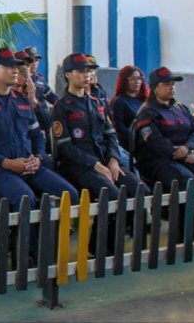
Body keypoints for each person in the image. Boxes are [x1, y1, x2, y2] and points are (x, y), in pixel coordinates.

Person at [51, 53, 145, 253]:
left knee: (137, 188)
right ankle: (100, 249)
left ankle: (116, 242)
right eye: (81, 71)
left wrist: (113, 159)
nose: (86, 75)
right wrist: (95, 164)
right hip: (79, 166)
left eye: (88, 71)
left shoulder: (96, 102)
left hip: (105, 162)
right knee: (112, 195)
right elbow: (65, 147)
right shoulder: (62, 107)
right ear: (68, 75)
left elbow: (111, 134)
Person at [0, 48, 77, 209]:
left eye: (16, 67)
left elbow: (37, 135)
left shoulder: (22, 101)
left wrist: (37, 157)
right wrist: (6, 163)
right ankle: (25, 235)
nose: (14, 71)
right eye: (9, 67)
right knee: (25, 200)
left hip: (28, 166)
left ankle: (54, 234)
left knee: (70, 194)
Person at [134, 67, 194, 236]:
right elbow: (154, 141)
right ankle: (184, 233)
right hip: (157, 160)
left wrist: (187, 149)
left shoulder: (180, 108)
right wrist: (179, 152)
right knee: (187, 182)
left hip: (184, 156)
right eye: (167, 84)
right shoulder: (147, 112)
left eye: (173, 84)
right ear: (155, 88)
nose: (172, 87)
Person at [110, 65, 148, 170]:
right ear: (125, 81)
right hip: (131, 144)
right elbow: (119, 127)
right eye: (133, 79)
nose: (137, 82)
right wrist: (139, 137)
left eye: (139, 78)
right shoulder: (119, 101)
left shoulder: (145, 100)